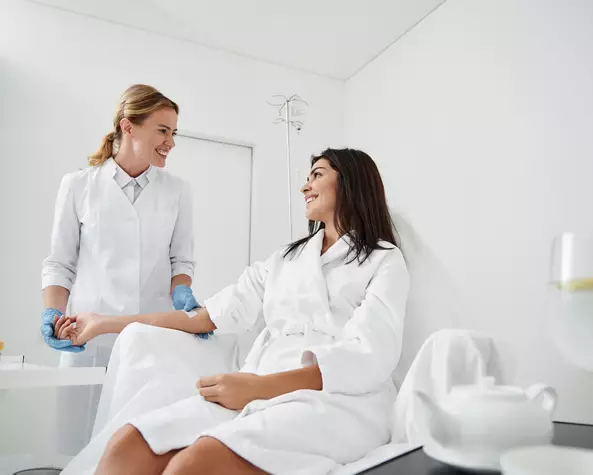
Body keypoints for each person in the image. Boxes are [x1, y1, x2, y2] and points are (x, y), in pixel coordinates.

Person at [57, 148, 410, 475]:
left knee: (193, 465)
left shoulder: (383, 260)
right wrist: (103, 323)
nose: (305, 185)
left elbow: (370, 357)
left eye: (316, 175)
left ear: (350, 182)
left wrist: (259, 387)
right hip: (255, 387)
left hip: (338, 400)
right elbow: (206, 317)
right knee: (128, 444)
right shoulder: (285, 260)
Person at [40, 84, 202, 455]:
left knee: (134, 448)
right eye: (163, 131)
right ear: (128, 126)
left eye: (174, 133)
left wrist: (183, 293)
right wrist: (52, 311)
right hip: (87, 338)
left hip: (150, 337)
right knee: (75, 445)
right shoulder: (79, 185)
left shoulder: (177, 190)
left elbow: (182, 260)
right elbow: (60, 262)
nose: (170, 143)